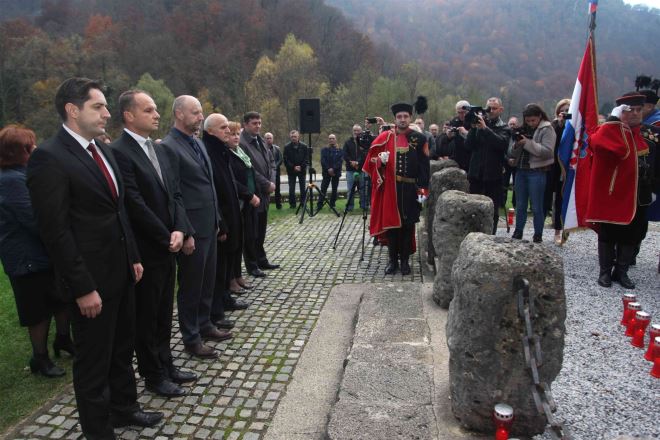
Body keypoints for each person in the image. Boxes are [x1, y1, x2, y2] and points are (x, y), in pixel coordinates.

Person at [26, 77, 163, 438]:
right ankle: (99, 431)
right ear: (73, 110)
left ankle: (125, 409)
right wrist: (82, 287)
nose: (107, 114)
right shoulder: (49, 157)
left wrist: (133, 256)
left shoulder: (101, 150)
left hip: (122, 272)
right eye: (98, 106)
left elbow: (119, 210)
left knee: (121, 349)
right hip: (91, 282)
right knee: (93, 362)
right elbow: (55, 232)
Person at [110, 90, 196, 398]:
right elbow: (133, 202)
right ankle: (153, 374)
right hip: (145, 250)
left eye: (156, 109)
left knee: (163, 312)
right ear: (129, 115)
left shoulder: (160, 150)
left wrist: (181, 229)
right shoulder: (119, 152)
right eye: (148, 110)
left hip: (169, 245)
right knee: (146, 317)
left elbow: (175, 194)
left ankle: (167, 364)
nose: (157, 114)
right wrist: (166, 235)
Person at [161, 95, 230, 360]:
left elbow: (208, 185)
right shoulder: (169, 146)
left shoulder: (197, 143)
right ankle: (191, 337)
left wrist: (217, 220)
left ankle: (205, 324)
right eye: (195, 112)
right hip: (192, 229)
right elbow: (174, 193)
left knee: (207, 281)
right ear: (179, 114)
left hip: (208, 225)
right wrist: (186, 231)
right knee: (191, 286)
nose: (201, 117)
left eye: (201, 112)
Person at [0, 125, 72, 378]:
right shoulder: (10, 180)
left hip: (44, 252)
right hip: (27, 257)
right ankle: (39, 357)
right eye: (29, 146)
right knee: (37, 310)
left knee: (60, 299)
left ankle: (63, 339)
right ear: (16, 152)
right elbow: (33, 219)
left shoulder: (23, 174)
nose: (35, 148)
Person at [588, 93, 654, 289]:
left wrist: (655, 188)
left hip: (639, 194)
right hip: (614, 194)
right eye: (630, 110)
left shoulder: (651, 134)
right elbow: (598, 143)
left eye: (639, 110)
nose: (635, 113)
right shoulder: (608, 130)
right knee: (608, 233)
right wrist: (613, 120)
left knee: (633, 235)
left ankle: (621, 272)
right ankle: (605, 272)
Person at [363, 102, 430, 275]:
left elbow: (424, 168)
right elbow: (371, 161)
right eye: (399, 117)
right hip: (390, 190)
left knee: (408, 226)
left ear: (410, 118)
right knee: (392, 227)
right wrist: (381, 162)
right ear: (395, 119)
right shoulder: (385, 137)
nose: (402, 119)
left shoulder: (420, 139)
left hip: (410, 189)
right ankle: (392, 261)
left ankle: (405, 261)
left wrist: (423, 191)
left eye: (405, 116)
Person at [202, 114, 249, 329]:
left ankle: (225, 299)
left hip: (231, 214)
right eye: (223, 128)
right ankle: (216, 310)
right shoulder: (209, 151)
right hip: (221, 218)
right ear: (210, 131)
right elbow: (212, 191)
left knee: (228, 261)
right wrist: (220, 222)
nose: (228, 131)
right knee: (219, 267)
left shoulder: (222, 151)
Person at [508, 103, 555, 242]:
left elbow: (547, 152)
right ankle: (518, 231)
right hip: (520, 170)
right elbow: (511, 151)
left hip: (537, 172)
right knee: (520, 205)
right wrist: (517, 144)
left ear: (540, 116)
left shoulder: (547, 129)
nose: (530, 123)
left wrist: (527, 143)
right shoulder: (522, 129)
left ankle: (538, 234)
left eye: (533, 120)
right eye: (528, 120)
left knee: (536, 206)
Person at [239, 111, 279, 277]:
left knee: (261, 229)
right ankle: (252, 264)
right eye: (254, 123)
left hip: (265, 193)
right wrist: (266, 184)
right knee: (251, 231)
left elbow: (272, 163)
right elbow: (248, 169)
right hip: (253, 193)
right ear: (245, 124)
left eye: (259, 123)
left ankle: (261, 259)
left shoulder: (261, 140)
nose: (258, 126)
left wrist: (272, 181)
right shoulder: (242, 143)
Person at [464, 97, 510, 233]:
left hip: (493, 175)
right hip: (476, 174)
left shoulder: (504, 127)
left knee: (492, 209)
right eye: (489, 108)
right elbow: (468, 145)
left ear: (501, 110)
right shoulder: (479, 125)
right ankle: (472, 236)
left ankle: (490, 236)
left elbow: (501, 144)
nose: (491, 111)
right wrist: (474, 128)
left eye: (494, 108)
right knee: (473, 208)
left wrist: (485, 129)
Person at [226, 121, 262, 288]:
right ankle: (231, 278)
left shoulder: (240, 152)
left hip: (247, 202)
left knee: (243, 239)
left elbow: (250, 174)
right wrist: (249, 195)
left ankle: (238, 275)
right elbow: (232, 180)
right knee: (234, 242)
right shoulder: (227, 154)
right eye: (232, 134)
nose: (235, 137)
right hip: (237, 201)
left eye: (237, 134)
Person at [549, 98, 571, 245]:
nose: (565, 113)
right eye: (562, 111)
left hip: (572, 165)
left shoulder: (576, 125)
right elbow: (553, 144)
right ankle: (557, 230)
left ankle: (568, 227)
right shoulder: (554, 125)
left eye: (568, 110)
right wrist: (561, 125)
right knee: (558, 199)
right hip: (557, 166)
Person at [342, 124, 369, 210]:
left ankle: (364, 206)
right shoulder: (347, 142)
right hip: (350, 169)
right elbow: (344, 154)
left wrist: (358, 163)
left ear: (361, 131)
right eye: (355, 130)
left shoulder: (364, 143)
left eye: (358, 130)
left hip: (362, 169)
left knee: (363, 189)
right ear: (352, 131)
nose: (356, 132)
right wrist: (351, 162)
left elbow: (365, 154)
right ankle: (350, 207)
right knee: (350, 189)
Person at [283, 130, 308, 209]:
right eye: (292, 137)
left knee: (302, 188)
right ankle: (292, 204)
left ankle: (303, 203)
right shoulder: (287, 147)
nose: (293, 138)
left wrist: (301, 166)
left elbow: (306, 158)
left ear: (298, 137)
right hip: (291, 171)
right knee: (291, 188)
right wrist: (293, 167)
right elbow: (286, 159)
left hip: (302, 170)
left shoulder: (304, 146)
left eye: (295, 136)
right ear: (290, 137)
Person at [317, 133, 343, 210]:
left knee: (334, 189)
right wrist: (328, 169)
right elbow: (323, 161)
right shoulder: (324, 150)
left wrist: (333, 169)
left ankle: (332, 204)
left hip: (336, 172)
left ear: (335, 139)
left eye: (333, 138)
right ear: (328, 140)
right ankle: (319, 204)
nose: (331, 140)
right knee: (323, 188)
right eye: (330, 138)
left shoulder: (340, 150)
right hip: (326, 172)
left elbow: (340, 161)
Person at [447, 100, 471, 171]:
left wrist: (466, 133)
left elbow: (478, 138)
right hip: (457, 154)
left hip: (471, 155)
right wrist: (449, 135)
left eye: (463, 112)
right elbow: (449, 139)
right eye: (459, 112)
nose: (461, 115)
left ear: (468, 110)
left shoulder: (474, 120)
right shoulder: (454, 120)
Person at [264, 132, 283, 209]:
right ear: (264, 139)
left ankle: (278, 205)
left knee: (277, 189)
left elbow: (280, 159)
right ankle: (266, 206)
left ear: (272, 139)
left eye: (270, 138)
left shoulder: (277, 148)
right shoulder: (262, 148)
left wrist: (274, 167)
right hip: (266, 173)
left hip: (276, 173)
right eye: (267, 138)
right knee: (266, 190)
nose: (269, 140)